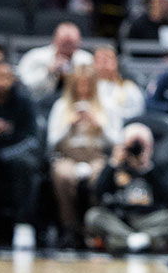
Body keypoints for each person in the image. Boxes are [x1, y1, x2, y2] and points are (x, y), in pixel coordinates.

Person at [86, 123, 168, 253]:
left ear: (150, 147)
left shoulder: (159, 165)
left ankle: (122, 241)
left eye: (141, 145)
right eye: (131, 145)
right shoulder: (116, 165)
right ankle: (145, 241)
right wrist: (113, 164)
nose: (136, 149)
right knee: (93, 216)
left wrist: (147, 167)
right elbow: (98, 191)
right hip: (121, 218)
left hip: (151, 218)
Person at [48, 65, 119, 246]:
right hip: (68, 156)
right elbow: (51, 142)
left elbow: (117, 140)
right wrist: (69, 125)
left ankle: (94, 229)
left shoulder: (107, 105)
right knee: (63, 175)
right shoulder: (61, 106)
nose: (83, 89)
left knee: (100, 177)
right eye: (79, 85)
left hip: (97, 155)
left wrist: (99, 126)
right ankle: (70, 228)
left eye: (87, 85)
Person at [0, 61, 41, 250]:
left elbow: (32, 139)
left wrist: (4, 155)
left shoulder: (23, 101)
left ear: (13, 79)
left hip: (15, 154)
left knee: (26, 164)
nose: (1, 81)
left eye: (6, 77)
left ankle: (23, 225)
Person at [17, 21, 93, 102]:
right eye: (64, 43)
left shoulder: (87, 60)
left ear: (78, 42)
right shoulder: (35, 56)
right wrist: (48, 72)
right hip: (38, 102)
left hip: (75, 103)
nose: (68, 47)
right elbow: (24, 84)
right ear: (55, 39)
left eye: (71, 43)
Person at [93, 45, 145, 124]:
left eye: (107, 59)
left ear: (116, 62)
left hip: (123, 127)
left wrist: (114, 114)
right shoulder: (85, 88)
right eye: (99, 60)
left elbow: (138, 113)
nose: (103, 64)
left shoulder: (128, 88)